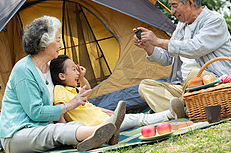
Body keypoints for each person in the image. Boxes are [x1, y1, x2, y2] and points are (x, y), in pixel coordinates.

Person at [0, 16, 125, 153]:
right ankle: (102, 130)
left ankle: (92, 137)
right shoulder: (23, 70)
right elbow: (36, 113)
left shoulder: (48, 69)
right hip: (17, 135)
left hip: (42, 129)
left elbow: (58, 103)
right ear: (44, 42)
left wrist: (95, 109)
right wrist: (71, 104)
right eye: (58, 40)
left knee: (70, 125)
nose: (61, 45)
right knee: (55, 131)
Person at [133, 0, 231, 114]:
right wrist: (148, 45)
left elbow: (194, 48)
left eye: (174, 5)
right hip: (182, 87)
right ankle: (184, 109)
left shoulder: (214, 21)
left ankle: (174, 111)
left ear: (190, 2)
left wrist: (158, 41)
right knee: (145, 86)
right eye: (171, 6)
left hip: (211, 82)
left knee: (195, 74)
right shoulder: (181, 26)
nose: (172, 11)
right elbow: (167, 58)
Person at [49, 55, 185, 137]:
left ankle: (170, 113)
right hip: (98, 125)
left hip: (103, 119)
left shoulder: (71, 89)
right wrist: (65, 131)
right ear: (61, 76)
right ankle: (170, 114)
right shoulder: (60, 90)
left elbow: (87, 91)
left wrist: (82, 77)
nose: (77, 72)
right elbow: (59, 110)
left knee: (132, 119)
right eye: (73, 69)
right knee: (136, 119)